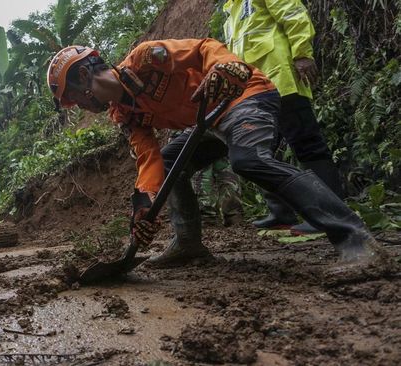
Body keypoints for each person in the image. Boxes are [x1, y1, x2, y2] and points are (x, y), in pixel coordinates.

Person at [46, 40, 392, 276]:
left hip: (245, 97)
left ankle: (356, 240)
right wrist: (144, 207)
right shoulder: (125, 115)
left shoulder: (146, 58)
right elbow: (149, 162)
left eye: (73, 98)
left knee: (248, 160)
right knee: (170, 165)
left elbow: (204, 48)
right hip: (207, 123)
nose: (78, 106)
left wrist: (226, 67)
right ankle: (187, 243)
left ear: (82, 75)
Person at [223, 0, 344, 235]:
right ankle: (281, 213)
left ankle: (331, 213)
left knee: (306, 142)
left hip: (281, 76)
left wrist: (302, 53)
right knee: (262, 151)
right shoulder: (231, 9)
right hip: (255, 90)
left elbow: (292, 13)